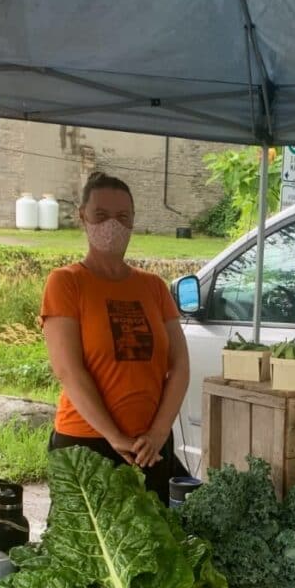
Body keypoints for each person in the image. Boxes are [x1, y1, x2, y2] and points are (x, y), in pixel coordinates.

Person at [41, 171, 190, 504]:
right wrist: (114, 436)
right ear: (83, 218)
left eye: (123, 216)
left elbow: (179, 366)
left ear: (134, 221)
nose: (113, 224)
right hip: (86, 444)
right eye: (101, 215)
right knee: (88, 550)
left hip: (149, 448)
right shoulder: (66, 283)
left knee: (154, 545)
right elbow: (69, 370)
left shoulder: (153, 287)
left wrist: (158, 432)